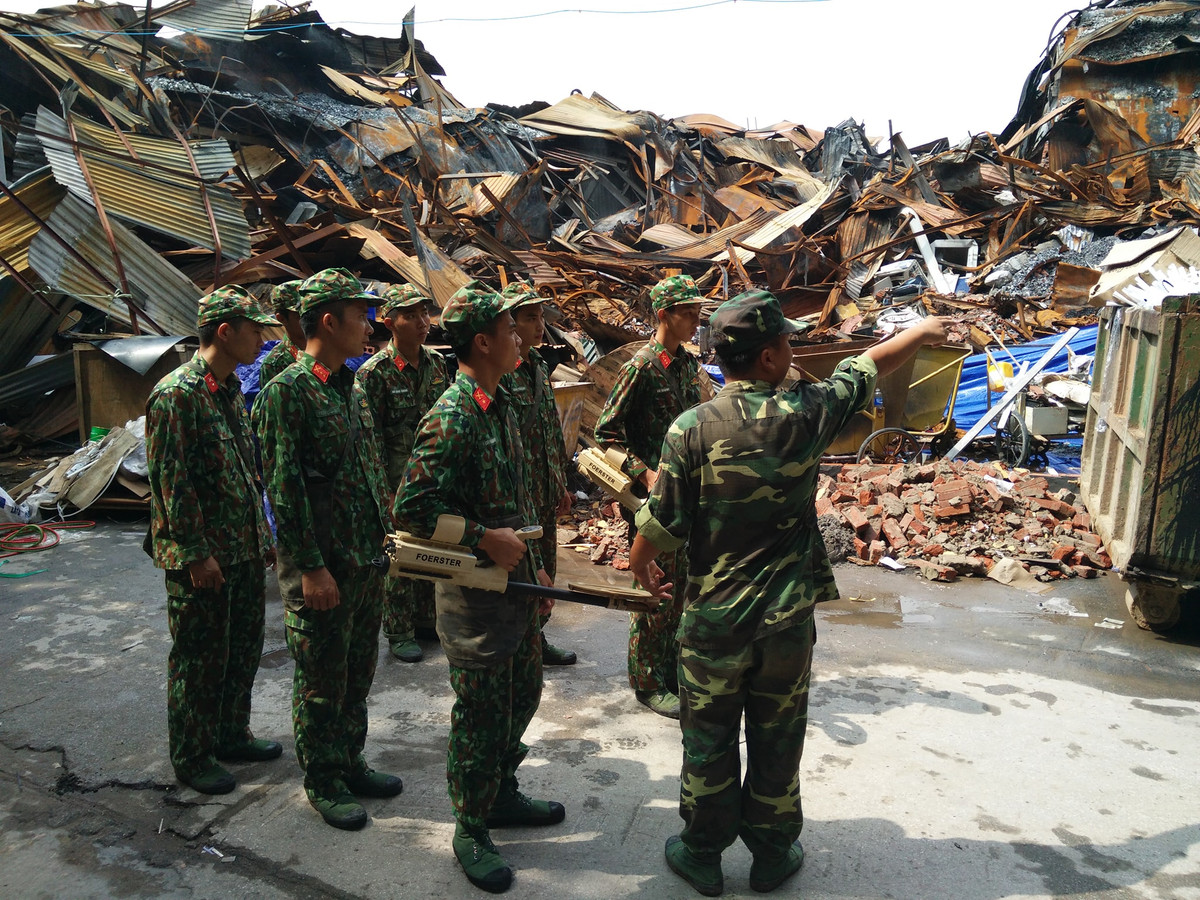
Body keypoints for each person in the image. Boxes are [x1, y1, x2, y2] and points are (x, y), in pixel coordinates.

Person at [629, 291, 948, 896]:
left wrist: (640, 566)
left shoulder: (691, 428)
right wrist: (926, 329)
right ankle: (772, 854)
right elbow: (871, 362)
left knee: (709, 739)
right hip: (784, 621)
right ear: (771, 355)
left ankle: (701, 852)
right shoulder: (809, 411)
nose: (794, 352)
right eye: (788, 343)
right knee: (778, 736)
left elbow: (661, 522)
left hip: (713, 620)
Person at [395, 281, 564, 895]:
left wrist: (538, 566)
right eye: (510, 329)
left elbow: (516, 505)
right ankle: (470, 825)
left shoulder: (501, 404)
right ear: (484, 341)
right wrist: (480, 538)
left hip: (517, 587)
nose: (521, 335)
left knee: (522, 696)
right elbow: (412, 509)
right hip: (474, 597)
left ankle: (502, 792)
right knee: (480, 715)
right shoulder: (452, 414)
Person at [252, 267, 402, 831]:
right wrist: (311, 569)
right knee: (320, 681)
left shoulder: (349, 387)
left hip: (362, 560)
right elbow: (284, 491)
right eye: (360, 316)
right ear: (328, 321)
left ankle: (350, 760)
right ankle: (323, 780)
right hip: (323, 569)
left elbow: (364, 472)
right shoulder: (287, 394)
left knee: (356, 674)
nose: (370, 325)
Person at [145, 285, 282, 795]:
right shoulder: (176, 394)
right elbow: (170, 482)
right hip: (202, 557)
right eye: (253, 331)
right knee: (199, 659)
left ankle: (230, 733)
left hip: (241, 548)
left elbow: (248, 472)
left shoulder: (226, 390)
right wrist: (196, 553)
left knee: (242, 649)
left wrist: (263, 533)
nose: (260, 340)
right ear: (225, 332)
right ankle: (193, 753)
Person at [594, 273, 705, 718]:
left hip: (686, 493)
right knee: (653, 584)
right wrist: (644, 473)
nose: (697, 320)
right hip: (652, 499)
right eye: (689, 313)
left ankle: (671, 667)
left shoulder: (684, 365)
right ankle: (646, 680)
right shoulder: (640, 367)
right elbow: (606, 433)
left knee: (680, 588)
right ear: (664, 315)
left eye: (698, 312)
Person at [355, 282, 448, 662]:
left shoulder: (438, 364)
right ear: (388, 322)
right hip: (395, 480)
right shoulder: (373, 373)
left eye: (425, 313)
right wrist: (383, 493)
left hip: (432, 478)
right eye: (411, 315)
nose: (422, 322)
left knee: (433, 548)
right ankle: (398, 629)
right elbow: (368, 438)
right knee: (399, 556)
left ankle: (427, 619)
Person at [500, 280, 577, 666]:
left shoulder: (539, 366)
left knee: (546, 567)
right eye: (530, 318)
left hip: (544, 491)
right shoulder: (501, 372)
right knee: (525, 572)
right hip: (517, 496)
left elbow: (550, 429)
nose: (540, 325)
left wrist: (561, 483)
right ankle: (519, 643)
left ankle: (538, 639)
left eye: (541, 316)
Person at [257, 279, 306, 389]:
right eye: (300, 316)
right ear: (281, 318)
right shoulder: (275, 364)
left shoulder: (327, 347)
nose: (309, 319)